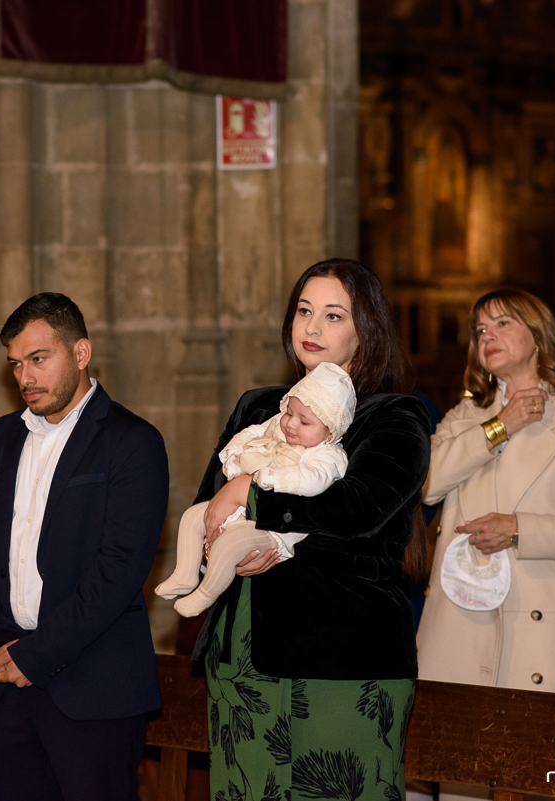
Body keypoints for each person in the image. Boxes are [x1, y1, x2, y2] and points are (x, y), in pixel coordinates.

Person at [193, 259, 431, 801]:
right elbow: (209, 502)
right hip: (244, 654)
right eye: (304, 311)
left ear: (366, 330)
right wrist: (219, 541)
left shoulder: (394, 416)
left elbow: (358, 510)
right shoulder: (260, 407)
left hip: (341, 659)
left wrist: (253, 492)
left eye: (333, 315)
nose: (312, 328)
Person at [417, 288, 555, 801]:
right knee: (461, 781)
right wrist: (500, 425)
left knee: (542, 786)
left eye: (503, 325)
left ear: (537, 337)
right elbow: (425, 484)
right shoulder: (465, 418)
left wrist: (520, 529)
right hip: (462, 632)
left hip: (547, 641)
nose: (487, 337)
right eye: (480, 331)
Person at [0, 292, 169, 801]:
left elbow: (119, 570)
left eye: (38, 358)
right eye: (15, 364)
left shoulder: (131, 441)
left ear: (80, 353)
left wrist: (37, 654)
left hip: (92, 687)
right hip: (6, 681)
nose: (24, 377)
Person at [156, 362, 355, 617]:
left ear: (330, 432)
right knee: (192, 517)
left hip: (272, 530)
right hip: (238, 510)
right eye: (289, 413)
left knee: (229, 547)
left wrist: (267, 477)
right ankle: (184, 573)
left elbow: (314, 480)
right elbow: (250, 433)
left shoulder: (329, 455)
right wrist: (235, 455)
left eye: (304, 422)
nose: (291, 424)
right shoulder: (280, 426)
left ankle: (204, 595)